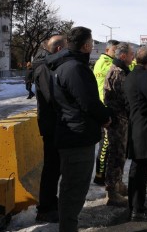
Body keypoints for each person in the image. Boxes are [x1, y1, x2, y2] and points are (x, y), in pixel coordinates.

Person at [47, 27, 111, 232]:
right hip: (77, 137)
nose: (93, 46)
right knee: (74, 189)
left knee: (71, 188)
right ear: (85, 45)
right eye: (91, 42)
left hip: (72, 134)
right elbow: (89, 102)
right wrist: (106, 118)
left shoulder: (66, 65)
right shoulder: (74, 68)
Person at [32, 34, 66, 223]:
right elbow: (51, 97)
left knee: (54, 167)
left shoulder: (44, 64)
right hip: (51, 124)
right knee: (52, 168)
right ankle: (45, 207)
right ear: (58, 49)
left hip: (52, 123)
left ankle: (50, 203)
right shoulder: (44, 67)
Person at [123, 46, 147, 222]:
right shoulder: (145, 77)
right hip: (145, 130)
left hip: (135, 127)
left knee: (137, 171)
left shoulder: (130, 76)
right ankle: (137, 209)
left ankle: (136, 206)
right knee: (141, 174)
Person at [103, 42, 134, 207]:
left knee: (120, 154)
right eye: (131, 54)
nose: (133, 56)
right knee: (116, 155)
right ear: (123, 56)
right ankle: (112, 191)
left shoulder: (120, 70)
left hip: (120, 119)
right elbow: (126, 97)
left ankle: (118, 184)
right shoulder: (118, 72)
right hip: (117, 120)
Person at [92, 39, 119, 186]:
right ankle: (99, 175)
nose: (116, 53)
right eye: (115, 50)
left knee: (108, 145)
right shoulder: (105, 63)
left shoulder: (107, 61)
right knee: (105, 145)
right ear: (108, 50)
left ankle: (103, 174)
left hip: (107, 107)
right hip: (105, 108)